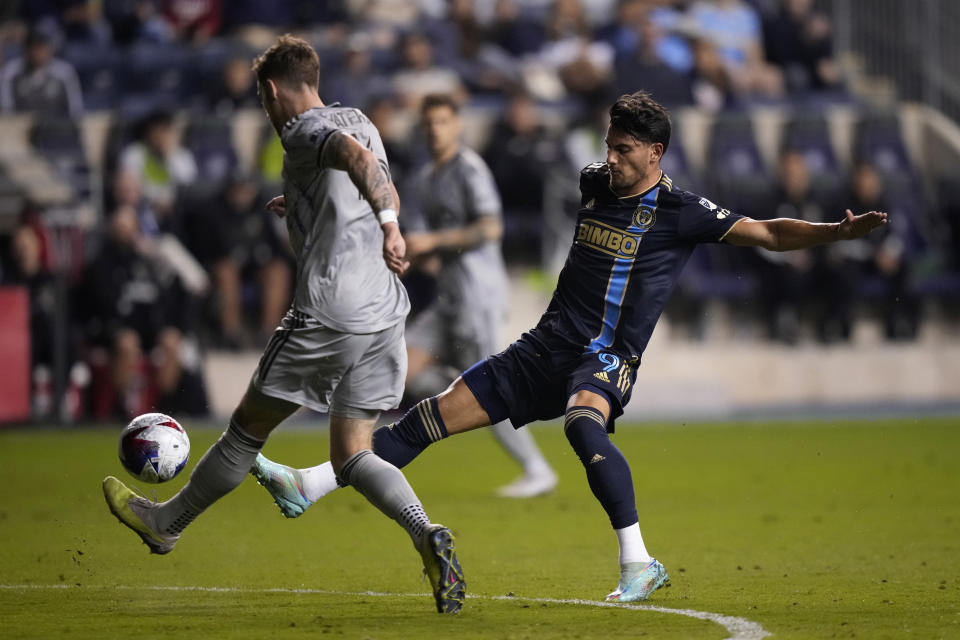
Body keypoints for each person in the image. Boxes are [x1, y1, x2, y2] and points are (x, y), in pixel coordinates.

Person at [243, 90, 889, 603]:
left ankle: (638, 562)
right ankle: (312, 483)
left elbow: (771, 234)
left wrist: (836, 231)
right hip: (545, 346)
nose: (613, 158)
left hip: (605, 354)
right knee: (430, 416)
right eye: (610, 145)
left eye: (626, 149)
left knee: (583, 424)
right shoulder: (592, 183)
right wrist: (323, 211)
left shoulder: (683, 212)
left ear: (657, 153)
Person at [101, 35, 466, 615]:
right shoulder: (362, 117)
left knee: (246, 429)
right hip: (383, 312)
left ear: (272, 92)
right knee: (352, 453)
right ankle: (426, 532)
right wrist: (299, 200)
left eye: (263, 101)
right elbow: (372, 173)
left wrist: (392, 227)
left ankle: (165, 523)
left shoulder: (302, 130)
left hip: (329, 311)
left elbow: (358, 162)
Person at [255, 93, 557, 501]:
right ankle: (347, 463)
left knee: (487, 390)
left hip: (476, 298)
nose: (435, 129)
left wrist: (432, 241)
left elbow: (490, 228)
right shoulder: (425, 176)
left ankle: (536, 467)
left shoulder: (469, 169)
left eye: (442, 122)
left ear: (458, 126)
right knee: (402, 368)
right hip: (447, 298)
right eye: (429, 123)